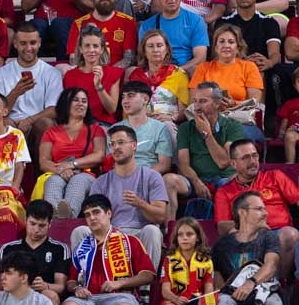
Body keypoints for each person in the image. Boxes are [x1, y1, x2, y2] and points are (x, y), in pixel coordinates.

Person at [61, 194, 156, 305]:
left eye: (96, 212)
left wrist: (120, 283)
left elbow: (149, 275)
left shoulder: (130, 242)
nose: (92, 218)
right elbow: (71, 281)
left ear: (109, 213)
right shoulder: (81, 247)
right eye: (87, 215)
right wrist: (77, 288)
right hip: (88, 299)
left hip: (120, 297)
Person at [75, 125, 167, 267]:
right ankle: (87, 282)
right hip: (109, 234)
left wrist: (140, 203)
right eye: (112, 144)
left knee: (153, 231)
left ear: (134, 145)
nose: (116, 147)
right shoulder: (101, 182)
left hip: (139, 233)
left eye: (121, 142)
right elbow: (92, 216)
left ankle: (145, 287)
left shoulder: (151, 176)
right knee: (80, 231)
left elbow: (161, 216)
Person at [214, 140, 299, 278]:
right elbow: (222, 226)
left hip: (279, 233)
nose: (252, 161)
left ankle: (279, 282)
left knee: (290, 234)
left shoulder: (275, 177)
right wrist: (252, 225)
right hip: (249, 236)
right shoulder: (225, 191)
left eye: (255, 155)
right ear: (233, 164)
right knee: (233, 232)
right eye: (246, 157)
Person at [170, 82, 244, 212]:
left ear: (217, 103)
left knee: (234, 182)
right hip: (194, 180)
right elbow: (183, 163)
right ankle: (168, 227)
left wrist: (207, 134)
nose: (197, 107)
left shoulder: (233, 126)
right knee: (169, 180)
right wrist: (196, 181)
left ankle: (230, 225)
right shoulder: (185, 128)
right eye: (195, 102)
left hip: (223, 179)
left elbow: (223, 162)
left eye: (203, 101)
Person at [37, 87, 106, 218]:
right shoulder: (51, 132)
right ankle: (51, 219)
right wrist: (61, 170)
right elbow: (44, 161)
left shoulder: (96, 129)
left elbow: (99, 155)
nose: (81, 104)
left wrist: (72, 164)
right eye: (76, 100)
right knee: (53, 182)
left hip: (86, 173)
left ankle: (68, 216)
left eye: (84, 101)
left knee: (78, 181)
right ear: (65, 103)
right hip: (58, 172)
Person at [190, 24, 266, 142]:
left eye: (231, 42)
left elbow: (254, 102)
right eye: (222, 41)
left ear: (238, 47)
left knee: (236, 133)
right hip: (208, 118)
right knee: (189, 131)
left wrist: (233, 103)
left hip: (240, 120)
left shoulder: (249, 67)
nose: (226, 45)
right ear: (215, 47)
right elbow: (193, 101)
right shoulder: (203, 68)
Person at [212, 191, 283, 305]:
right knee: (223, 302)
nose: (266, 213)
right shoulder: (222, 245)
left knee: (273, 303)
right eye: (259, 209)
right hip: (233, 296)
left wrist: (251, 283)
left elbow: (271, 266)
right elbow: (219, 285)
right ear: (242, 212)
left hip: (264, 291)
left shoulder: (268, 237)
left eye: (264, 209)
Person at [0, 23, 62, 140]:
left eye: (33, 43)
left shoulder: (52, 73)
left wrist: (29, 120)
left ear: (39, 43)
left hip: (37, 121)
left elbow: (54, 110)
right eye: (23, 43)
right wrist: (16, 92)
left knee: (46, 123)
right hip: (12, 121)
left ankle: (42, 159)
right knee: (4, 124)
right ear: (15, 44)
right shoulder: (1, 73)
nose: (29, 48)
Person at [0, 199, 68, 305]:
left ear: (50, 223)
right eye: (32, 224)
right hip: (14, 291)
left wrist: (45, 285)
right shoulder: (8, 248)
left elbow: (61, 287)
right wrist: (19, 283)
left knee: (51, 295)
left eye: (42, 225)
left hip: (42, 293)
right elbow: (0, 285)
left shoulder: (59, 248)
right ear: (25, 220)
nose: (36, 230)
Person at [220, 0, 282, 93]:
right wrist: (244, 62)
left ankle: (259, 111)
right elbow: (218, 54)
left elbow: (275, 53)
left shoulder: (269, 22)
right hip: (231, 67)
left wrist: (268, 62)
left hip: (261, 70)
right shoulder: (223, 22)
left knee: (258, 71)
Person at [65, 0, 138, 69]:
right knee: (63, 68)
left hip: (116, 75)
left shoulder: (128, 22)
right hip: (88, 74)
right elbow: (74, 59)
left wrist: (107, 74)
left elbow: (129, 59)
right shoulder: (79, 24)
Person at [137, 0, 208, 75]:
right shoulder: (147, 25)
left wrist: (174, 72)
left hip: (184, 71)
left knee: (194, 70)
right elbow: (143, 58)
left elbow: (200, 58)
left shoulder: (196, 21)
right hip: (156, 71)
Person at [127, 29, 189, 135]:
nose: (155, 50)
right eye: (150, 46)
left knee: (166, 127)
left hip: (167, 122)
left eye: (159, 45)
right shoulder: (135, 76)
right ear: (144, 51)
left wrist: (171, 117)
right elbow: (128, 107)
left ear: (167, 50)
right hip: (140, 122)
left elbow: (184, 111)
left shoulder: (178, 74)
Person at [61, 24, 122, 126]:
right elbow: (68, 108)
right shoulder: (70, 75)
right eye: (87, 45)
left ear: (102, 49)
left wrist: (99, 87)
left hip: (103, 124)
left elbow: (111, 109)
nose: (91, 50)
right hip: (78, 124)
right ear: (80, 49)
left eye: (95, 46)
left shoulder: (113, 73)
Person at [114, 80, 174, 177]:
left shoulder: (160, 128)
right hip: (121, 177)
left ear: (145, 99)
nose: (125, 101)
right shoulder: (115, 129)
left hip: (149, 177)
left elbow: (164, 164)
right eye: (123, 97)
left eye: (130, 95)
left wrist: (140, 175)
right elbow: (111, 161)